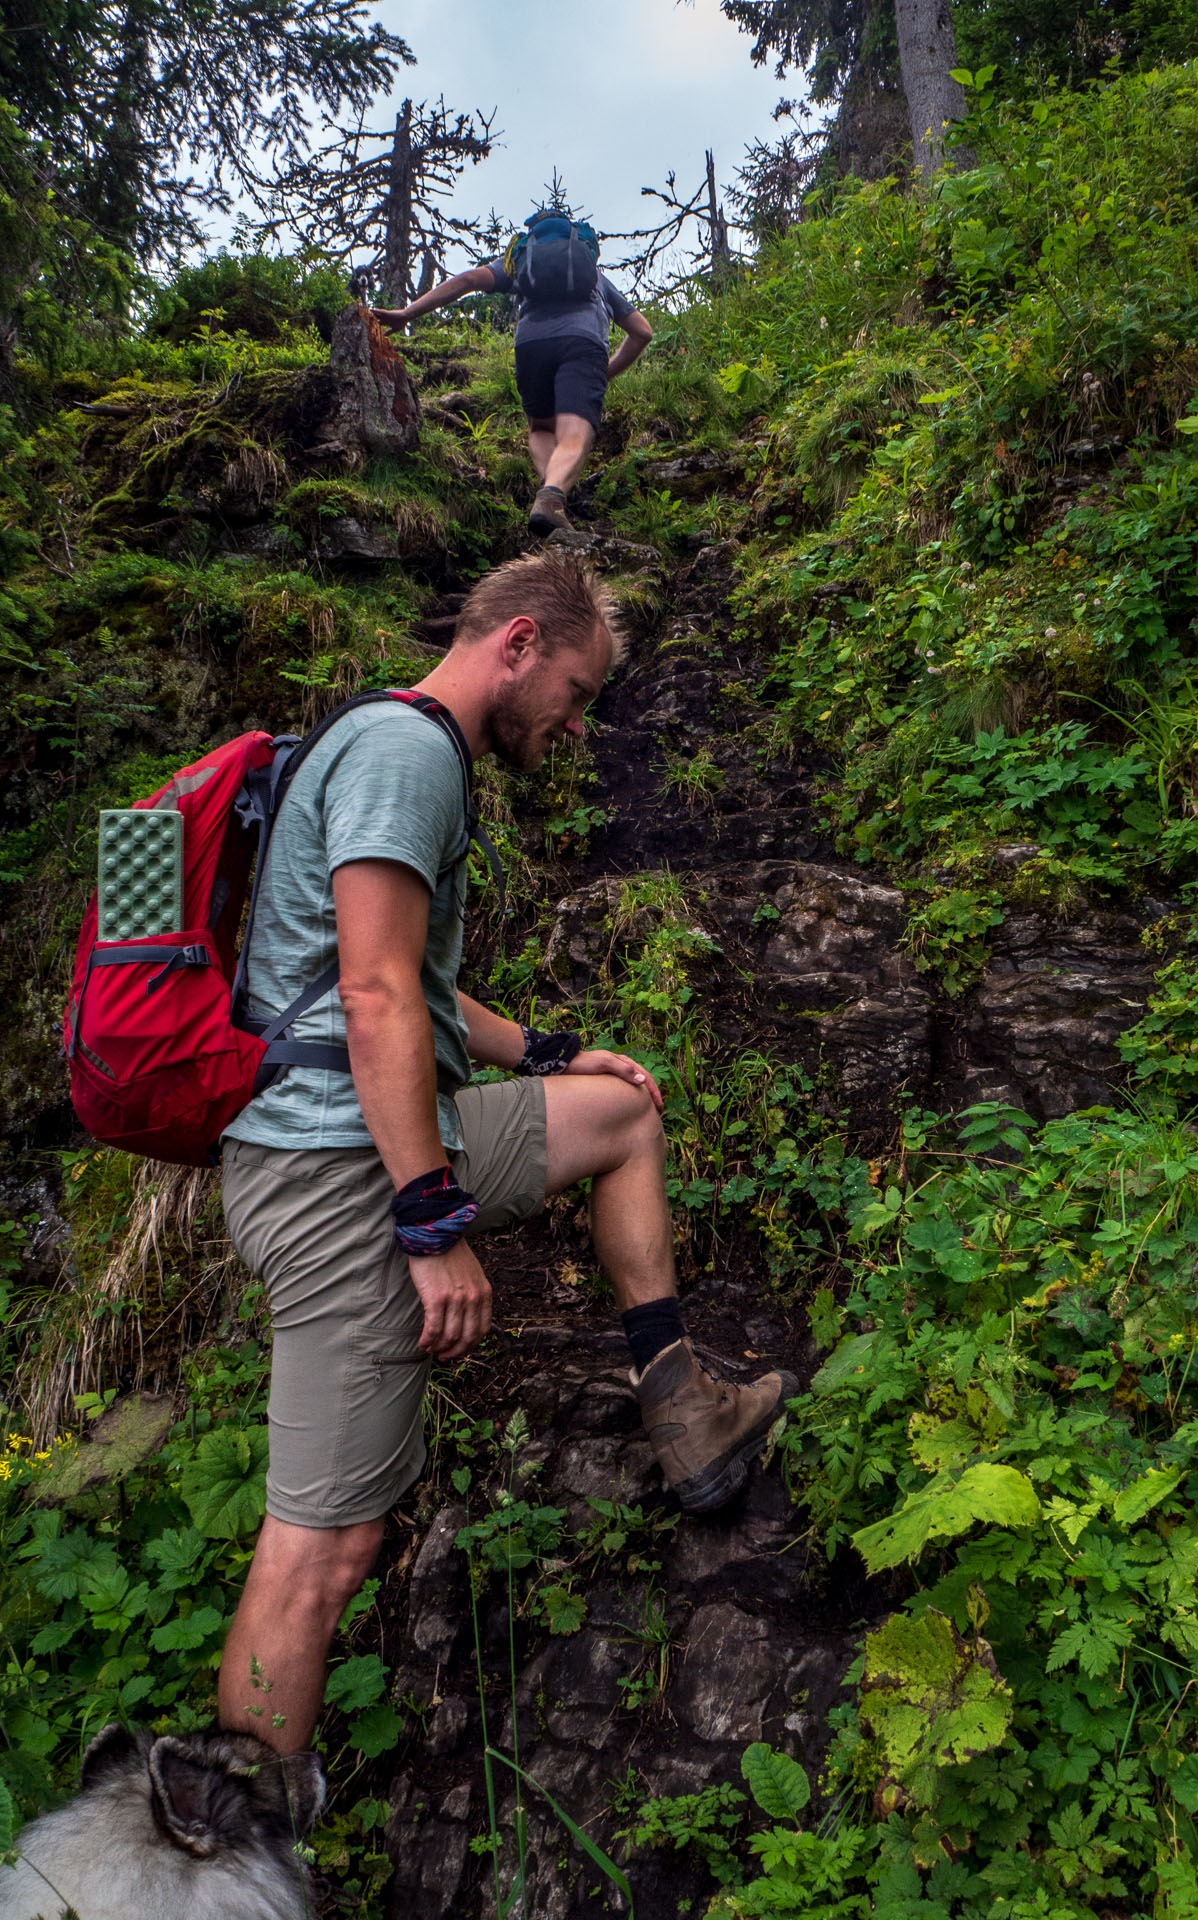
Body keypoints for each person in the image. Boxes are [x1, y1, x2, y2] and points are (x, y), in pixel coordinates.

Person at [216, 550, 795, 1755]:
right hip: (338, 1169)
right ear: (519, 643)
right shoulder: (404, 754)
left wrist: (551, 1050)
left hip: (359, 1137)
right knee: (321, 1550)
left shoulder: (401, 748)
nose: (573, 724)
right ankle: (233, 1847)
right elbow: (371, 1001)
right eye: (574, 692)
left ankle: (681, 1407)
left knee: (621, 1113)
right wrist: (431, 1225)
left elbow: (413, 986)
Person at [374, 213, 653, 536]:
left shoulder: (519, 262)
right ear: (580, 247)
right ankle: (552, 496)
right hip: (583, 342)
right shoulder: (595, 278)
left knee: (541, 428)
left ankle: (552, 494)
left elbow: (467, 281)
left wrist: (407, 313)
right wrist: (604, 372)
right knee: (575, 432)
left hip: (531, 343)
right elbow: (642, 332)